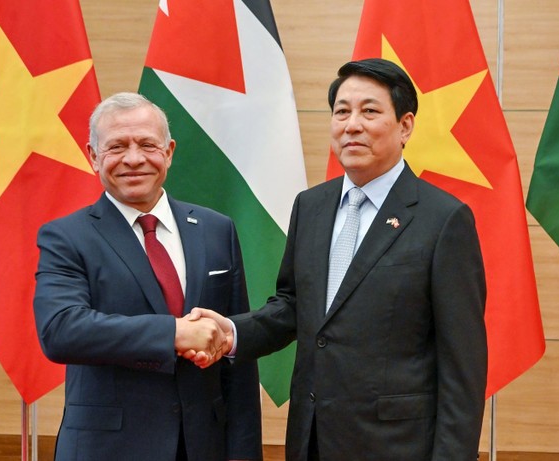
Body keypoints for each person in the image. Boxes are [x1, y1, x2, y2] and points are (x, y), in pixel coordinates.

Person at [188, 58, 487, 460]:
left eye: (370, 111)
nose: (352, 125)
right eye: (342, 112)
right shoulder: (311, 206)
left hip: (396, 446)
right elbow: (294, 306)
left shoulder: (443, 219)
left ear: (405, 126)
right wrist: (232, 333)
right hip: (311, 438)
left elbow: (462, 365)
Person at [33, 92, 262, 461]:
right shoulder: (66, 236)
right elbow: (61, 330)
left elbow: (237, 355)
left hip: (204, 446)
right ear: (93, 156)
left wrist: (244, 452)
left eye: (147, 144)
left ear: (168, 152)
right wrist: (173, 333)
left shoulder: (216, 229)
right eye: (117, 146)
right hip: (108, 449)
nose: (134, 158)